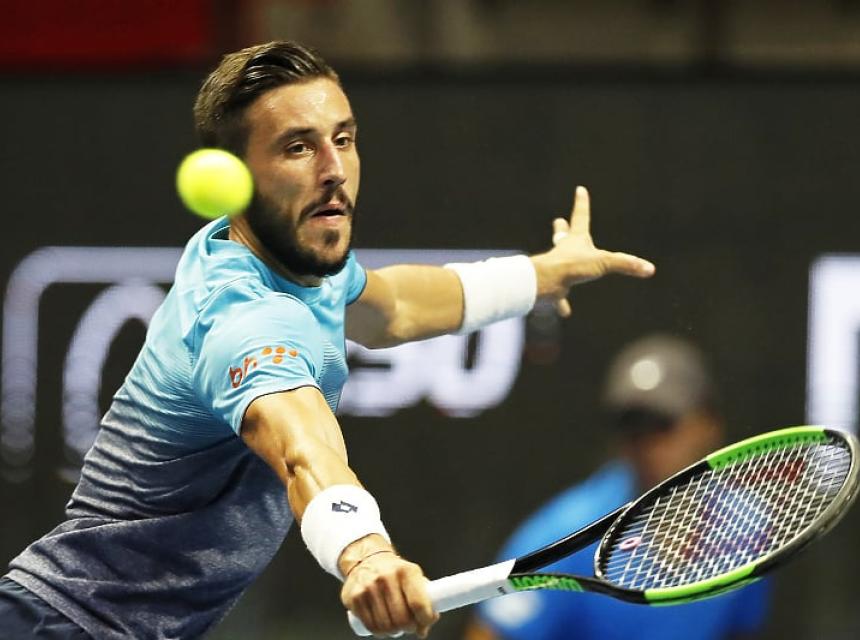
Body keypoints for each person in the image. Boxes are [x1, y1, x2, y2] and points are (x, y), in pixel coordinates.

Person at [0, 41, 655, 640]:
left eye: (344, 139)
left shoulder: (287, 256)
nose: (335, 168)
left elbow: (393, 308)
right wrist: (365, 553)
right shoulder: (243, 317)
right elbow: (301, 450)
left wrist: (539, 275)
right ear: (235, 175)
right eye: (298, 147)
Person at [465, 334, 769, 640]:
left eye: (661, 423)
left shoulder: (747, 528)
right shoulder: (564, 535)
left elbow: (740, 631)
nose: (645, 443)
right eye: (631, 425)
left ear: (708, 425)